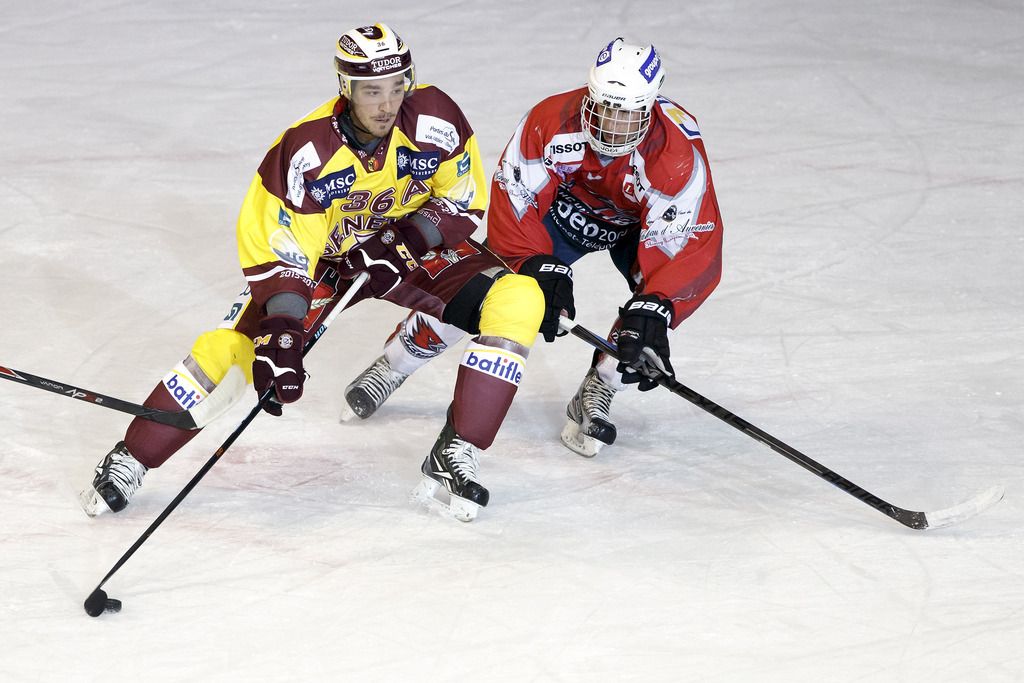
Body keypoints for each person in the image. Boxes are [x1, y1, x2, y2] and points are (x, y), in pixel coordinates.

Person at [81, 23, 544, 522]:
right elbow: (282, 253)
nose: (387, 103)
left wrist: (406, 240)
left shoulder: (436, 117)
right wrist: (282, 330)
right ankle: (133, 456)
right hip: (324, 265)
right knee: (231, 348)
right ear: (346, 88)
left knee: (519, 300)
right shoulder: (306, 151)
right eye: (372, 91)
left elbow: (462, 199)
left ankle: (455, 452)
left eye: (396, 86)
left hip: (406, 252)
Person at [340, 37, 723, 458]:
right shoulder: (550, 121)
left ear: (650, 108)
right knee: (487, 289)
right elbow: (516, 199)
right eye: (606, 109)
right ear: (589, 96)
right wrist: (536, 263)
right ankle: (396, 362)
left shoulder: (677, 156)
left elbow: (689, 245)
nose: (613, 126)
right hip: (561, 211)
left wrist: (658, 306)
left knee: (645, 324)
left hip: (642, 225)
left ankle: (600, 385)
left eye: (629, 115)